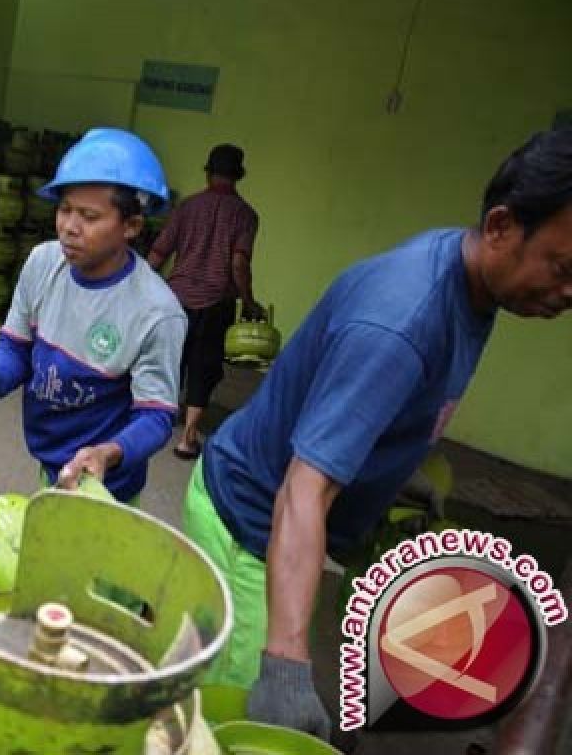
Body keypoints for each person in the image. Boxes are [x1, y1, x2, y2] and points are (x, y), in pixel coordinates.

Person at [182, 128, 572, 741]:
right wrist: (285, 668)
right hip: (251, 525)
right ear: (501, 226)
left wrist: (392, 470)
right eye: (564, 266)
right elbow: (302, 489)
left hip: (285, 518)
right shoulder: (402, 325)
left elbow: (362, 407)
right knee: (242, 726)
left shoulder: (470, 281)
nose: (569, 291)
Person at [0, 128, 187, 504]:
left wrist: (106, 454)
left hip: (106, 486)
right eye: (64, 209)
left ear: (131, 226)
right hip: (50, 459)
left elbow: (156, 417)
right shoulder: (43, 263)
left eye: (89, 216)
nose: (69, 227)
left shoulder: (157, 314)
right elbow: (16, 347)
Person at [148, 143, 263, 460]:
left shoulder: (187, 207)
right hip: (216, 302)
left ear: (208, 171)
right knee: (204, 364)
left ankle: (157, 419)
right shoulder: (246, 216)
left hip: (177, 297)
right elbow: (239, 264)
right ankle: (188, 438)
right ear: (238, 175)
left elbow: (160, 250)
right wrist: (249, 302)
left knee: (173, 359)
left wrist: (136, 284)